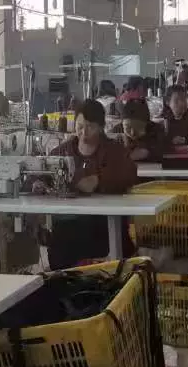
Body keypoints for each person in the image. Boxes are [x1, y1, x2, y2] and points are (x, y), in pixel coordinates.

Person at [46, 100, 138, 268]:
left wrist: (99, 180)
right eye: (80, 126)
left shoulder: (115, 151)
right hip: (69, 224)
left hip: (104, 224)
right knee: (60, 244)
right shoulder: (62, 152)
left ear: (101, 127)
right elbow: (42, 172)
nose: (84, 132)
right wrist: (38, 184)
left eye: (90, 127)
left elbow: (130, 174)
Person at [119, 98, 164, 163]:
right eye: (127, 128)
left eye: (138, 128)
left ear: (147, 125)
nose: (132, 133)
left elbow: (163, 152)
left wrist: (148, 153)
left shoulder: (157, 131)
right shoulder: (117, 131)